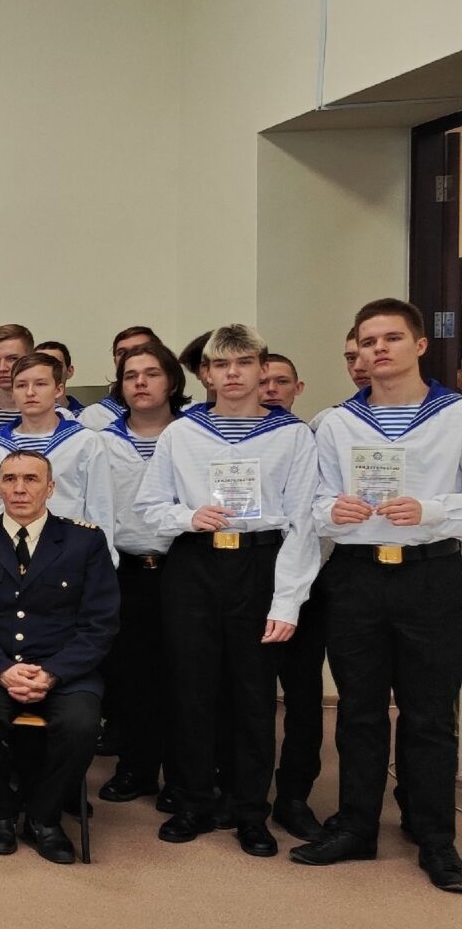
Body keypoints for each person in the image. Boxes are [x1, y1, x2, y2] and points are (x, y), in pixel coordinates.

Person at [296, 298, 462, 893]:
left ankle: (435, 836)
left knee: (430, 713)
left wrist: (431, 510)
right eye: (368, 342)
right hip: (358, 576)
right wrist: (331, 512)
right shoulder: (336, 423)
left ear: (420, 345)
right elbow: (313, 504)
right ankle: (356, 826)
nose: (378, 350)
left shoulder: (455, 416)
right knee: (359, 710)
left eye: (391, 338)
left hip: (432, 574)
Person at [135, 324, 317, 857]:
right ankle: (193, 800)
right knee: (190, 687)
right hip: (195, 563)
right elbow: (150, 506)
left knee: (254, 693)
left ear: (263, 369)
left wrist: (287, 601)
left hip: (260, 563)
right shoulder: (182, 433)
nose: (232, 374)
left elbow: (303, 524)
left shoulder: (292, 436)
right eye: (221, 365)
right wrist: (187, 516)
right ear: (207, 374)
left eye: (243, 363)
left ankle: (249, 810)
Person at [0, 451, 119, 863]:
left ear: (51, 487)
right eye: (9, 479)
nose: (19, 489)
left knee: (81, 725)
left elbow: (100, 622)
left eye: (31, 479)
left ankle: (44, 816)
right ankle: (0, 812)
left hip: (64, 669)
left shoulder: (85, 541)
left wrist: (53, 672)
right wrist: (2, 670)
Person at [96, 340, 185, 805]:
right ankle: (136, 768)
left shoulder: (193, 435)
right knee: (130, 676)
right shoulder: (102, 441)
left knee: (183, 675)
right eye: (131, 376)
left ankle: (182, 775)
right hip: (126, 570)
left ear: (171, 381)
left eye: (151, 374)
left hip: (184, 568)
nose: (140, 383)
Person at [259, 350, 327, 842]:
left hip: (310, 584)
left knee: (303, 697)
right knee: (248, 693)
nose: (270, 390)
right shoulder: (240, 443)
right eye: (263, 382)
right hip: (250, 578)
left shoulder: (313, 438)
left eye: (281, 382)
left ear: (298, 389)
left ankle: (294, 796)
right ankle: (244, 789)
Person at [0, 353, 117, 548]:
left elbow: (101, 508)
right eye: (21, 385)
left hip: (71, 550)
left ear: (58, 389)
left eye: (40, 384)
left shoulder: (85, 442)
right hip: (11, 551)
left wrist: (102, 557)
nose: (30, 392)